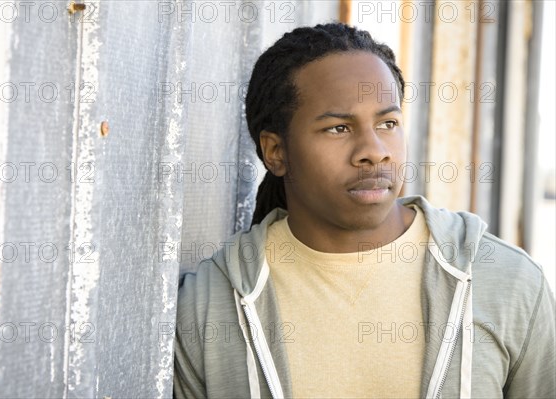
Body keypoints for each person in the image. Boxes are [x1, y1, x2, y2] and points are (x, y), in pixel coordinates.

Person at [173, 23, 556, 398]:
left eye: (388, 123)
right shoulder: (208, 306)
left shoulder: (505, 282)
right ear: (277, 152)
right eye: (339, 128)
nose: (375, 150)